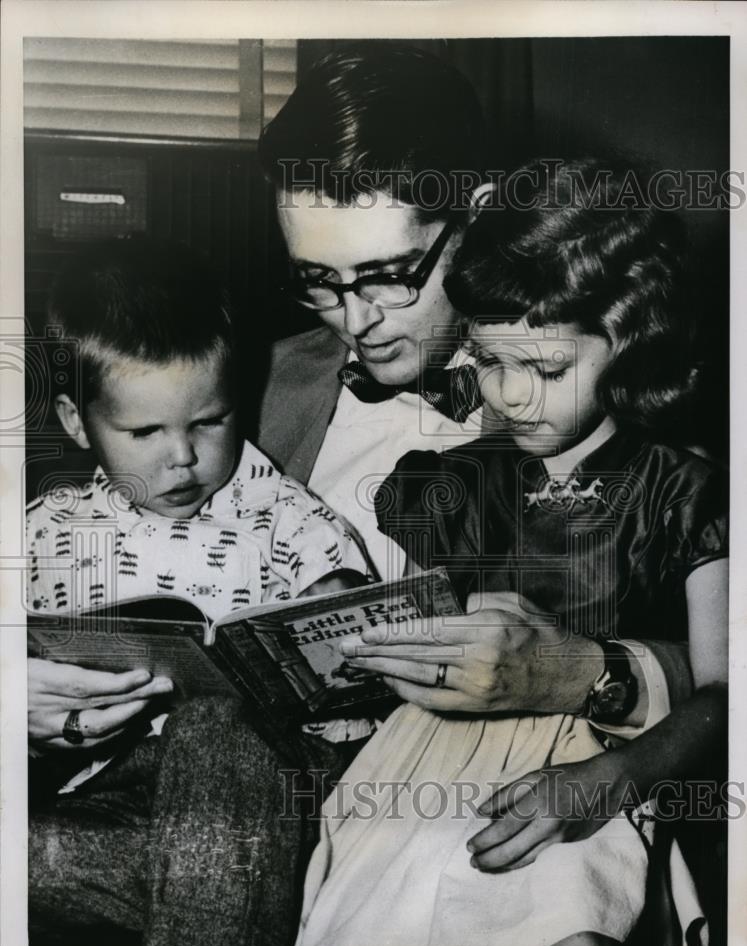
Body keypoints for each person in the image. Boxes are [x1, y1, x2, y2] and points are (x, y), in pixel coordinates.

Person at [294, 160, 728, 946]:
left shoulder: (685, 492)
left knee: (565, 935)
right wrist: (349, 609)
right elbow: (412, 615)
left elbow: (725, 694)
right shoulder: (456, 481)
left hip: (585, 766)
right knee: (374, 939)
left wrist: (618, 775)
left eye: (547, 369)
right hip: (419, 756)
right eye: (493, 362)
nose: (515, 395)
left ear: (629, 341)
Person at [256, 44, 695, 832]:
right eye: (319, 281)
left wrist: (585, 674)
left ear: (479, 213)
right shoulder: (250, 385)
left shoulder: (610, 394)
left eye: (391, 274)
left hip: (493, 801)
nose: (358, 325)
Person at [27, 236, 370, 946]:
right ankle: (233, 913)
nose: (182, 457)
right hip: (112, 795)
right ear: (72, 420)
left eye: (209, 421)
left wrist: (337, 613)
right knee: (34, 854)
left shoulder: (282, 513)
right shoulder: (44, 532)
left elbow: (345, 610)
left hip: (271, 786)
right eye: (145, 432)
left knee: (214, 725)